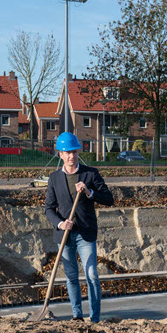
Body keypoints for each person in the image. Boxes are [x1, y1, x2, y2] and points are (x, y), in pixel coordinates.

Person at [45, 132, 113, 322]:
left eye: (74, 152)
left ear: (78, 151)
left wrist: (90, 191)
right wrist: (60, 223)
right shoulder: (54, 178)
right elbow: (49, 209)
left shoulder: (90, 174)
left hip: (85, 234)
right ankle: (77, 316)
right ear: (60, 154)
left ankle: (95, 318)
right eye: (67, 152)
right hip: (65, 235)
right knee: (71, 276)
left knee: (91, 274)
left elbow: (109, 199)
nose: (71, 156)